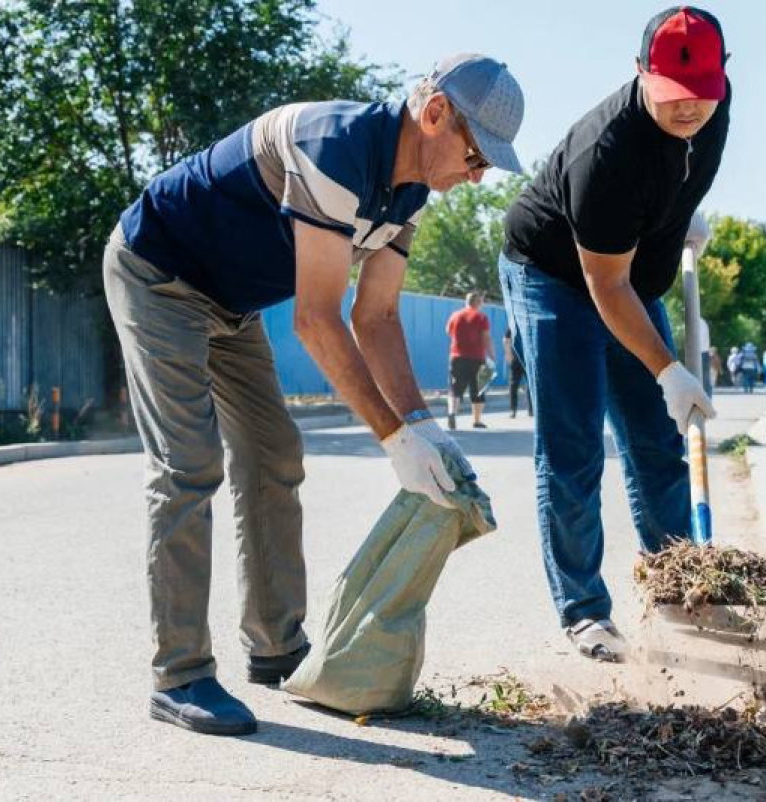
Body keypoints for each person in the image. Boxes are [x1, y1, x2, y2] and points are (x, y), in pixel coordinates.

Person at [104, 53, 525, 736]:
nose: (476, 178)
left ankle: (275, 648)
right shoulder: (334, 148)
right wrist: (392, 440)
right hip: (157, 274)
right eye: (476, 157)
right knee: (190, 464)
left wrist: (422, 427)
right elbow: (317, 318)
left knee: (275, 454)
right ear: (436, 113)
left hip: (229, 305)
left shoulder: (409, 194)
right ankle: (178, 673)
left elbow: (378, 316)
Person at [498, 6, 729, 662]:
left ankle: (678, 591)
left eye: (701, 96)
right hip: (555, 275)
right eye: (671, 97)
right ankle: (585, 613)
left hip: (635, 274)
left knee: (658, 443)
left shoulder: (716, 105)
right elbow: (606, 288)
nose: (688, 110)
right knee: (574, 448)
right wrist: (669, 370)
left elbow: (679, 163)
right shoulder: (607, 152)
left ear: (722, 77)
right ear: (639, 73)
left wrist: (681, 212)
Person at [446, 292, 495, 429]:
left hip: (456, 356)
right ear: (478, 302)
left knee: (455, 388)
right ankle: (476, 420)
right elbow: (486, 337)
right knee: (478, 389)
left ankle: (452, 413)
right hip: (477, 357)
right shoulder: (481, 317)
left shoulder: (455, 315)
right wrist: (491, 354)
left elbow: (448, 331)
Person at [503, 327, 533, 417]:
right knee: (514, 384)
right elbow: (506, 339)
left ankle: (531, 410)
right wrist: (508, 354)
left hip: (527, 358)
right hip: (516, 358)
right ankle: (513, 410)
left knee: (530, 384)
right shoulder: (513, 324)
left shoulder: (527, 323)